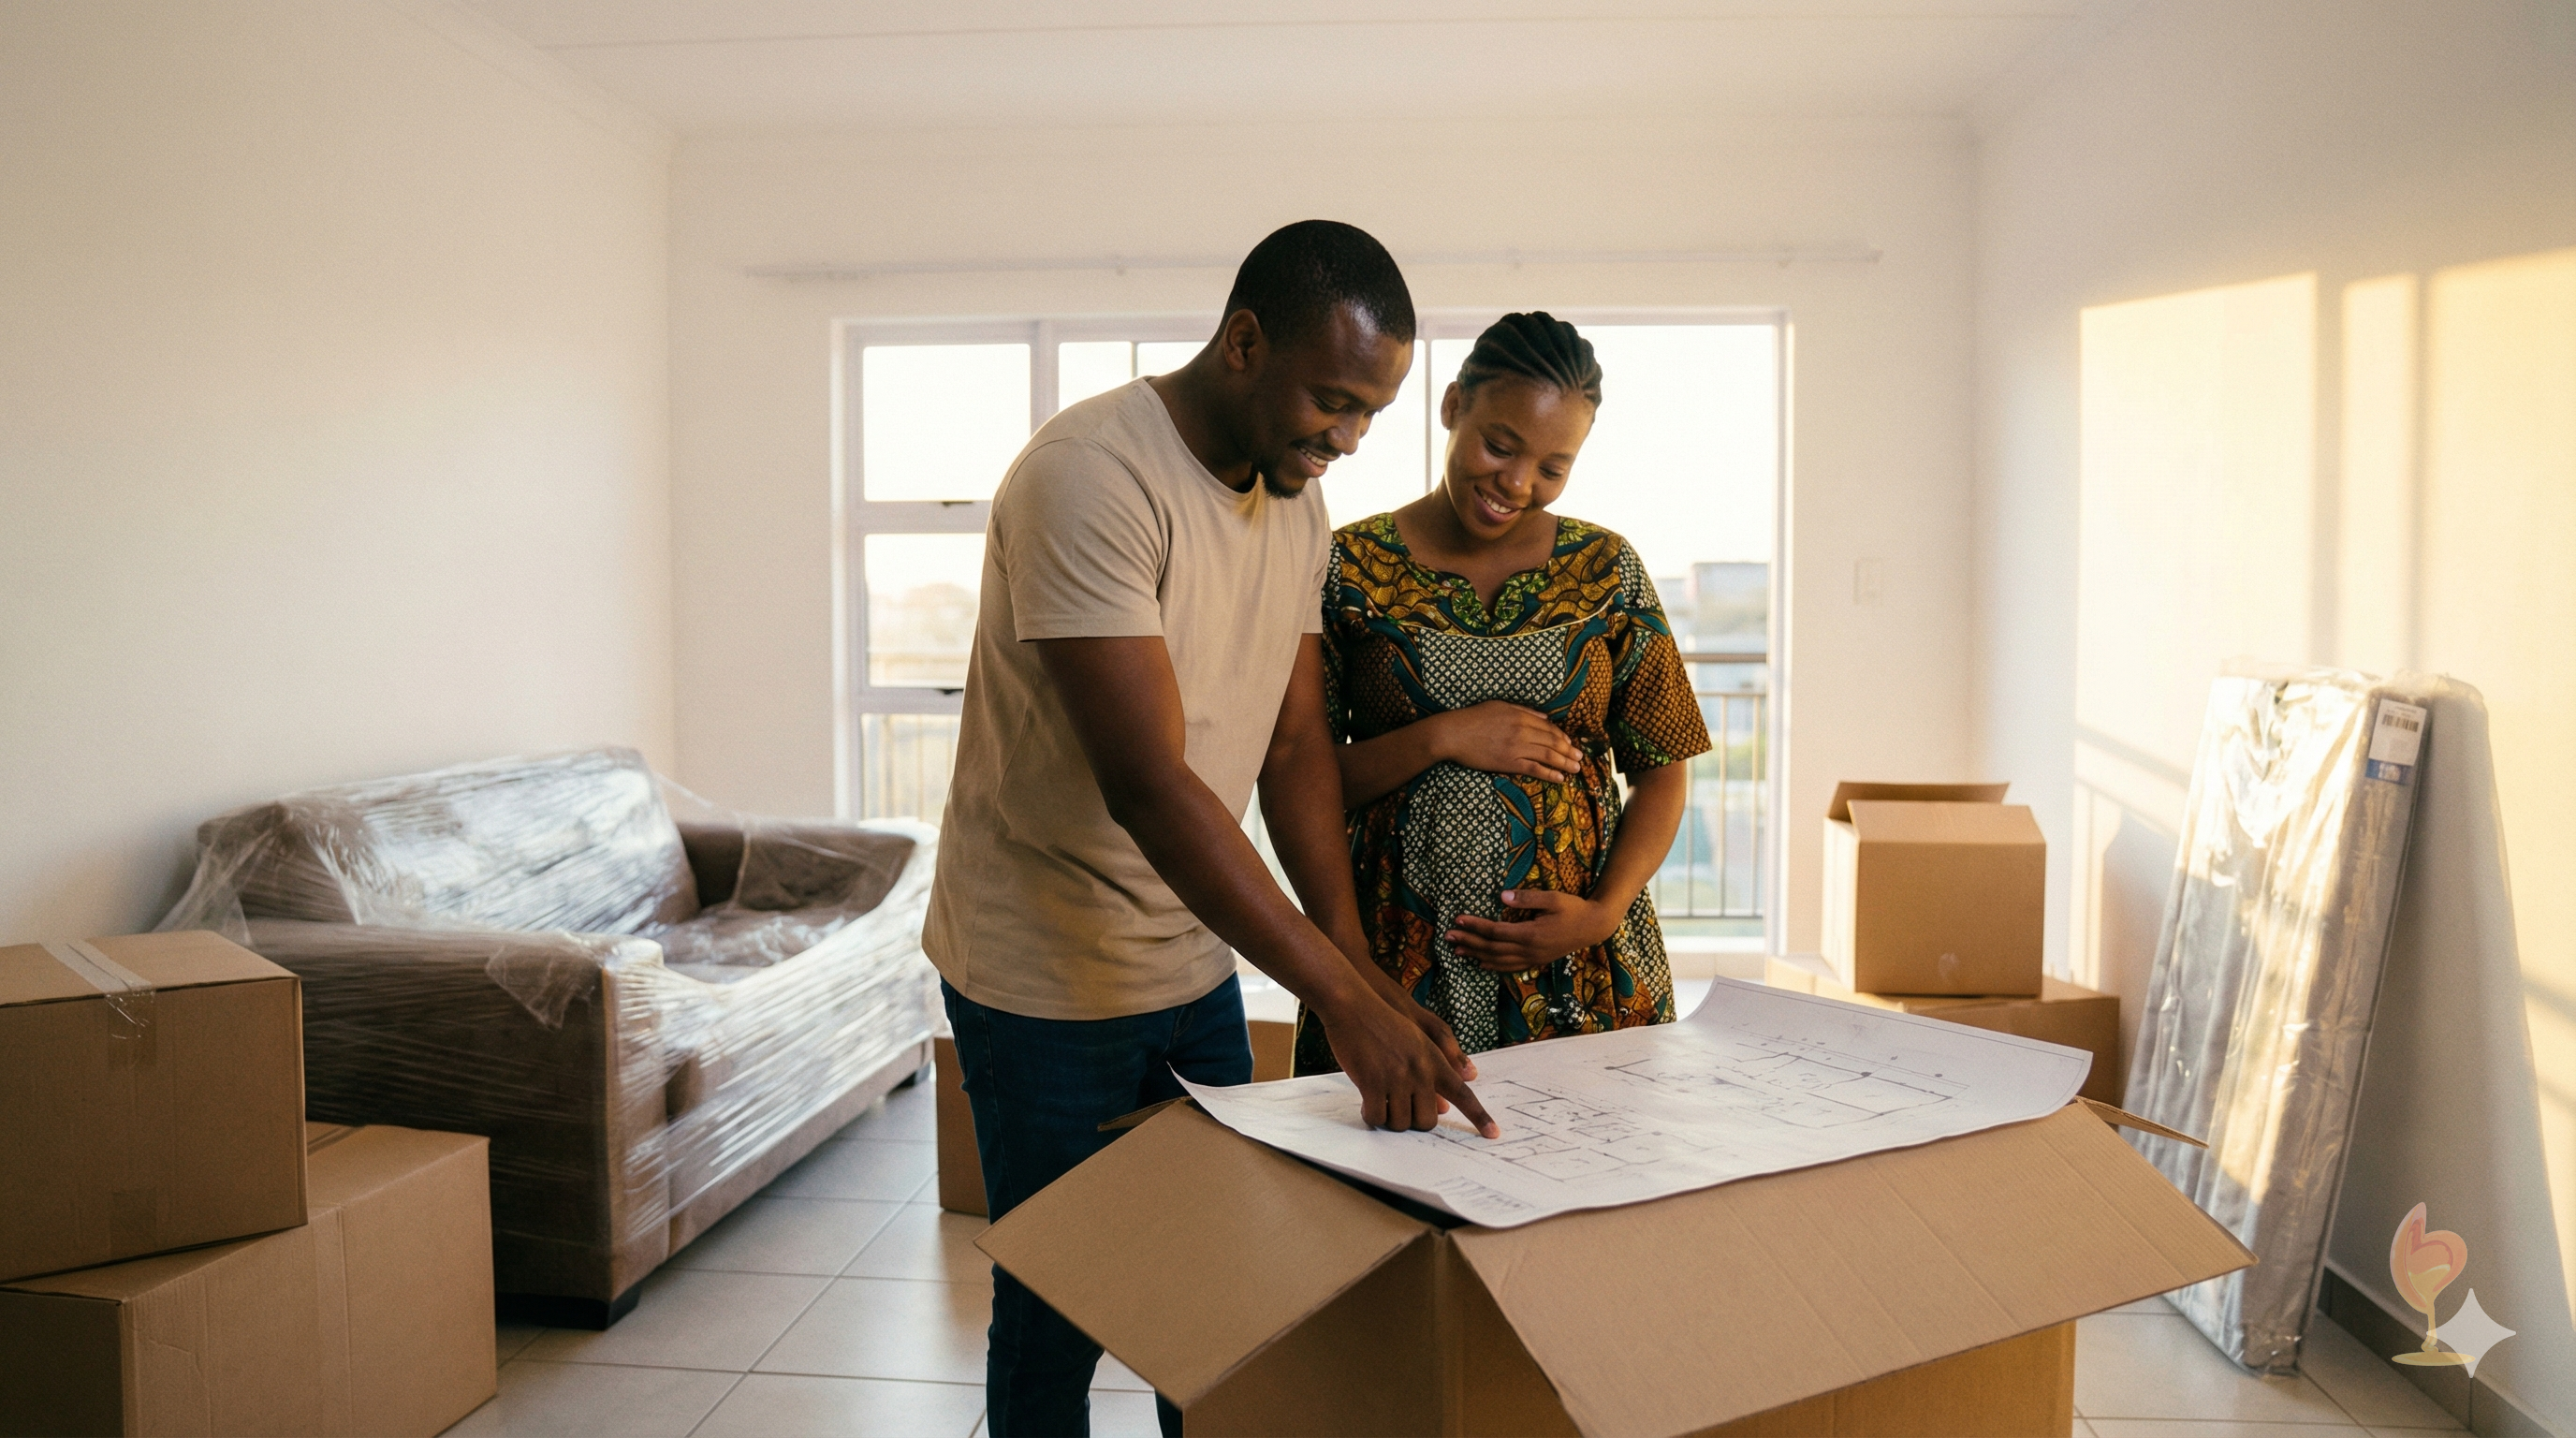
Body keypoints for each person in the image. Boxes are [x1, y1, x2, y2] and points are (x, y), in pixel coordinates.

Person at [925, 220, 1497, 1438]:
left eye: (1370, 416)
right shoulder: (1090, 475)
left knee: (1219, 1300)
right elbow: (1153, 782)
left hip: (1188, 964)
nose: (1346, 439)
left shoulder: (1294, 504)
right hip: (1040, 972)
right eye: (1331, 401)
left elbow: (1294, 748)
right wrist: (1339, 1000)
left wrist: (1360, 976)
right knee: (1060, 1303)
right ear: (1245, 342)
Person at [1292, 313, 1713, 1074]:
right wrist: (1443, 735)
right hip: (1395, 962)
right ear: (1453, 406)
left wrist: (1601, 914)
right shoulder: (1344, 567)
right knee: (1391, 1176)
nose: (1517, 485)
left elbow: (1665, 767)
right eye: (1500, 445)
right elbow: (1302, 777)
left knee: (1594, 1174)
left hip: (1585, 970)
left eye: (1553, 468)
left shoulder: (1607, 568)